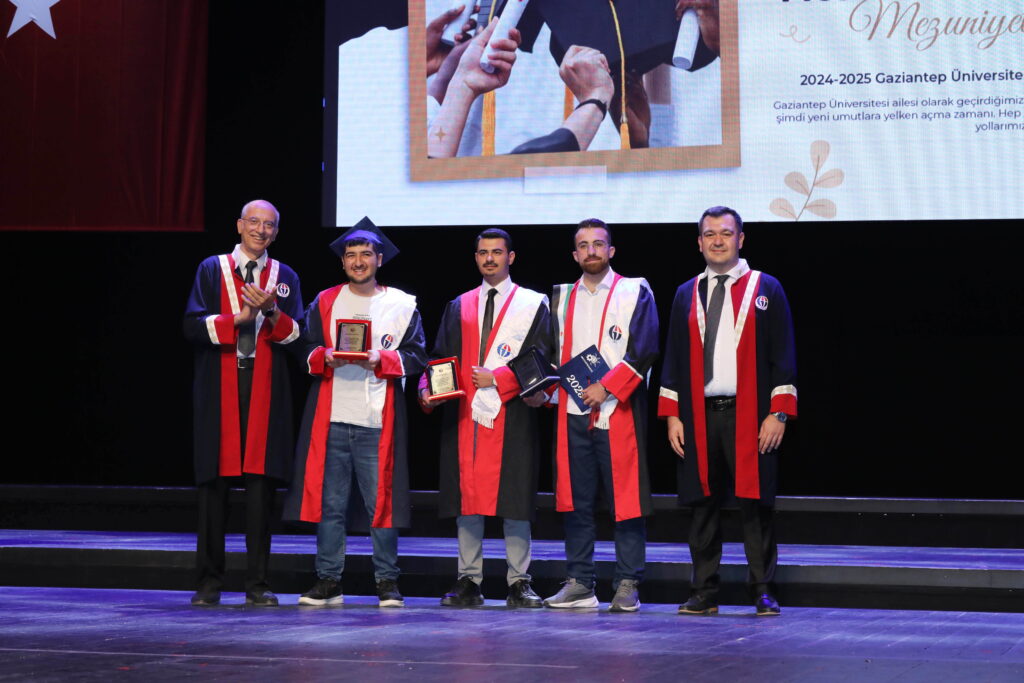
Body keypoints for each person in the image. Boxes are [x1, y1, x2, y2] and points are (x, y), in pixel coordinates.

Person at [658, 206, 797, 616]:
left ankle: (763, 589)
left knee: (755, 505)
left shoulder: (766, 287)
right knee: (702, 505)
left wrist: (778, 413)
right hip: (699, 415)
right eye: (709, 234)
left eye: (725, 233)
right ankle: (703, 591)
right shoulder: (686, 292)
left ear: (741, 239)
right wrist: (672, 415)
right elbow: (674, 358)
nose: (717, 241)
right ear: (699, 242)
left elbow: (783, 355)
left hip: (750, 414)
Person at [283, 219, 427, 608]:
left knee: (381, 503)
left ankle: (387, 581)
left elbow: (417, 356)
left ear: (379, 259)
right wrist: (323, 355)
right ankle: (329, 580)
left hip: (377, 418)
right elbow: (304, 348)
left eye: (366, 254)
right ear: (343, 261)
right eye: (351, 255)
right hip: (332, 417)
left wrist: (382, 358)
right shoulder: (325, 300)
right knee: (330, 505)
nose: (358, 261)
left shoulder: (401, 305)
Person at [419, 228, 551, 608]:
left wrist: (500, 379)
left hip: (513, 412)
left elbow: (542, 356)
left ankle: (519, 582)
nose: (489, 258)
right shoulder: (459, 305)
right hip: (466, 414)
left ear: (511, 257)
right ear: (476, 258)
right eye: (482, 253)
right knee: (468, 498)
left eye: (496, 252)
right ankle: (468, 580)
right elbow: (440, 357)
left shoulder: (532, 304)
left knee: (515, 497)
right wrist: (429, 389)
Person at [183, 199, 304, 606]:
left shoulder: (284, 276)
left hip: (265, 384)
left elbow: (297, 337)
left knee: (260, 488)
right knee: (212, 487)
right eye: (254, 222)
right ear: (239, 225)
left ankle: (258, 584)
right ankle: (208, 582)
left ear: (276, 231)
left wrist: (272, 311)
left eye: (269, 224)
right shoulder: (211, 269)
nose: (260, 230)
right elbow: (191, 326)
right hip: (219, 383)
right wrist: (236, 320)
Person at [543, 219, 659, 612]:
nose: (591, 251)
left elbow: (644, 349)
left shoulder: (634, 290)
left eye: (598, 244)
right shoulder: (560, 297)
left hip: (618, 410)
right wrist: (541, 388)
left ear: (611, 250)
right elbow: (549, 353)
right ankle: (580, 583)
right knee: (576, 502)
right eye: (583, 245)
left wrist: (607, 387)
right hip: (572, 412)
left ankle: (627, 582)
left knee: (625, 501)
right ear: (574, 254)